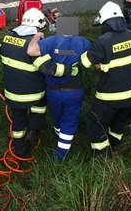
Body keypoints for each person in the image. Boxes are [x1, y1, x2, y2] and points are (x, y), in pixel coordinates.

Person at [0, 8, 76, 158]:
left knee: (18, 119)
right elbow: (49, 68)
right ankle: (34, 131)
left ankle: (19, 147)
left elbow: (0, 51)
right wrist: (69, 70)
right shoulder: (34, 46)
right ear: (38, 26)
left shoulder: (7, 39)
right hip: (34, 93)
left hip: (11, 93)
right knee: (40, 106)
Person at [79, 2, 131, 157]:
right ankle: (115, 144)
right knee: (118, 122)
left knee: (94, 121)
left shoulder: (103, 41)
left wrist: (101, 64)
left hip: (108, 97)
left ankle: (102, 154)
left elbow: (85, 62)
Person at [27, 17, 91, 161]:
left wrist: (36, 36)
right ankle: (60, 156)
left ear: (60, 28)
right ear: (74, 29)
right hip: (75, 91)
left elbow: (31, 50)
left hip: (53, 91)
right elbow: (95, 59)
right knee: (69, 121)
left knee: (57, 118)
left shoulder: (52, 41)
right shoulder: (83, 42)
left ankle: (58, 136)